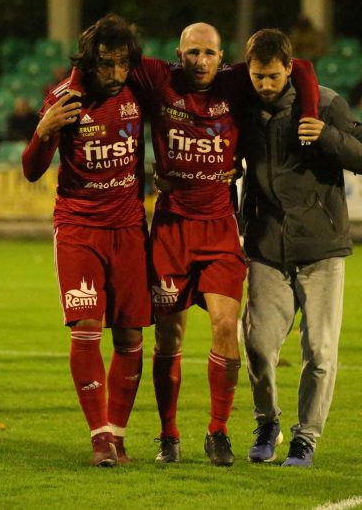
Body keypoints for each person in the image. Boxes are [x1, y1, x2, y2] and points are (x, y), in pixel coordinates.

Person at [126, 23, 319, 466]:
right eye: (192, 53)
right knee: (169, 338)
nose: (200, 61)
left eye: (209, 52)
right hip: (172, 228)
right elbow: (107, 60)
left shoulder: (235, 81)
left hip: (218, 228)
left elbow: (302, 66)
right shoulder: (161, 80)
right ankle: (168, 435)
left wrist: (310, 114)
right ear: (179, 54)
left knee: (225, 325)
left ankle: (218, 431)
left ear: (221, 55)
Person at [240, 29, 362, 467]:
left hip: (321, 248)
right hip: (266, 245)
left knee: (320, 351)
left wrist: (327, 136)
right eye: (257, 76)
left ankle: (306, 437)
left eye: (271, 75)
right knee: (259, 346)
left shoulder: (323, 103)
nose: (264, 84)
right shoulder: (242, 108)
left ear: (288, 67)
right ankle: (268, 423)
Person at [22, 14, 150, 467]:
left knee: (131, 335)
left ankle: (117, 434)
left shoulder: (139, 88)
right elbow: (32, 170)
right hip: (79, 228)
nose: (115, 74)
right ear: (89, 62)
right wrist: (44, 131)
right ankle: (99, 437)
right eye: (106, 65)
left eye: (122, 64)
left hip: (130, 229)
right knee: (87, 328)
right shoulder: (65, 99)